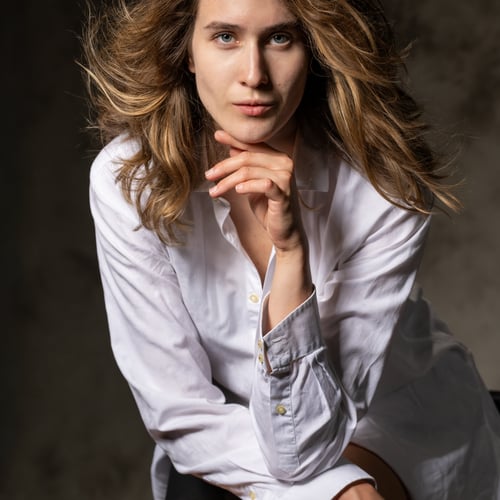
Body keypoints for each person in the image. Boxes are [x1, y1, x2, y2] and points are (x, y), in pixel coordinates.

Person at [83, 0, 500, 498]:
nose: (254, 75)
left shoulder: (384, 187)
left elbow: (307, 445)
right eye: (225, 37)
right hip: (228, 435)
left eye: (280, 38)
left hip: (390, 421)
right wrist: (336, 488)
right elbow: (179, 410)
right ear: (187, 50)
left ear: (314, 49)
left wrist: (291, 253)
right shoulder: (129, 181)